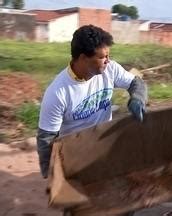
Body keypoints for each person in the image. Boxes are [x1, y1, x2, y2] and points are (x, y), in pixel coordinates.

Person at [36, 25, 147, 179]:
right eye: (102, 57)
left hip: (104, 142)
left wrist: (137, 98)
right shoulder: (58, 93)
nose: (108, 61)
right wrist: (50, 176)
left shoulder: (110, 69)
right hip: (74, 151)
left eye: (108, 55)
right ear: (83, 58)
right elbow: (46, 139)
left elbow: (137, 83)